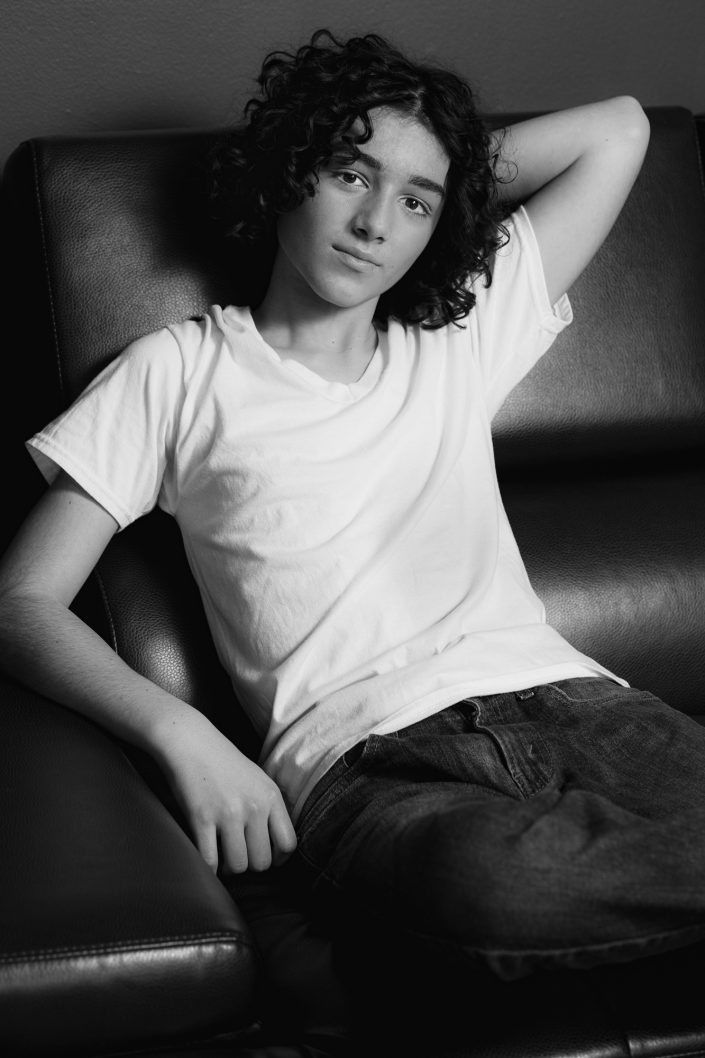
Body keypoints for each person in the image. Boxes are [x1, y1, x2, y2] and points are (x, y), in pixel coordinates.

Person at [1, 29, 704, 995]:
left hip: (577, 706)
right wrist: (182, 734)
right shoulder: (176, 371)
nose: (376, 222)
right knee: (504, 887)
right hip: (368, 767)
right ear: (288, 172)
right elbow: (20, 603)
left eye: (413, 202)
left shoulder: (458, 335)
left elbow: (618, 131)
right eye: (348, 172)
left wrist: (438, 173)